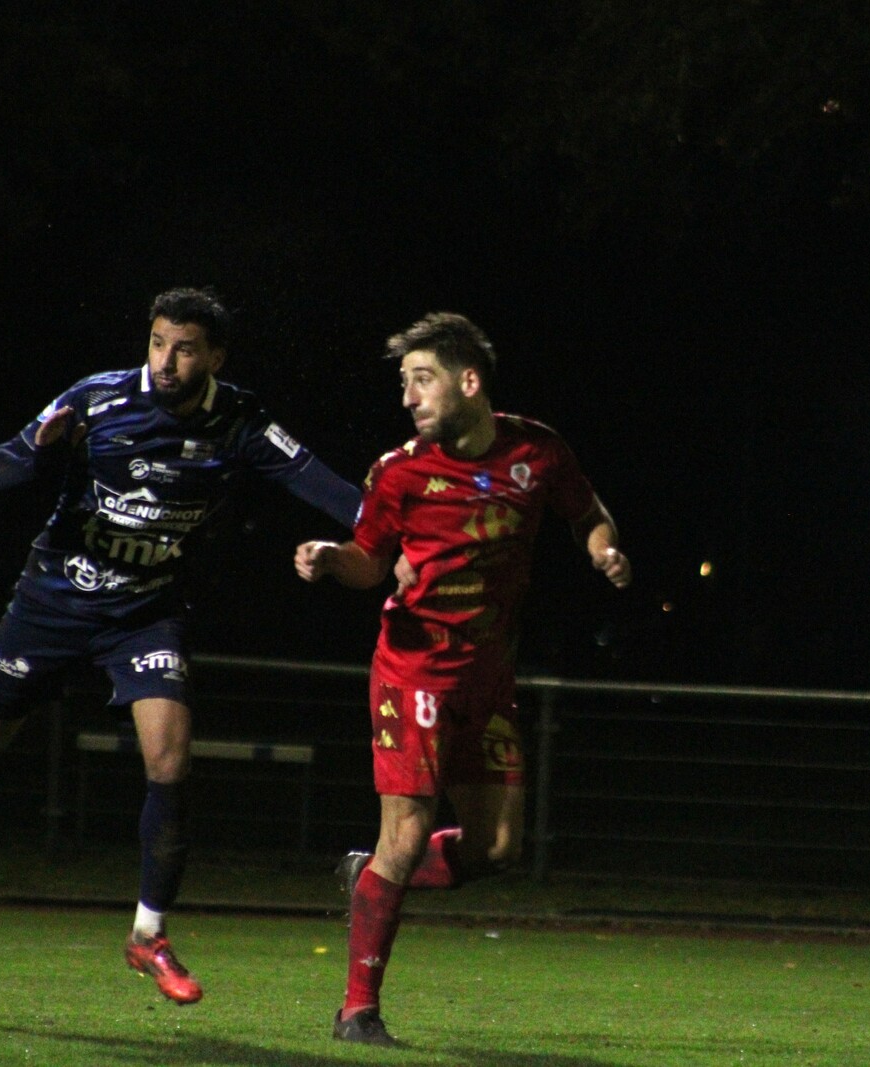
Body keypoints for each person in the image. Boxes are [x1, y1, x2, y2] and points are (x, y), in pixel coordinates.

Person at [0, 287, 361, 1005]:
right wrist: (39, 453)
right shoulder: (97, 399)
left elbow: (323, 485)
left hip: (146, 611)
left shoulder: (240, 419)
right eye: (158, 343)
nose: (166, 360)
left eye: (185, 349)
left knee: (170, 757)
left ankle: (148, 934)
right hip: (54, 597)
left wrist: (398, 524)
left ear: (215, 357)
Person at [294, 311, 630, 1045]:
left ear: (469, 381)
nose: (408, 398)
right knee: (407, 833)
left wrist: (603, 547)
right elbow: (369, 559)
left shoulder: (538, 450)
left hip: (488, 677)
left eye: (422, 380)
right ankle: (357, 1010)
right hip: (413, 670)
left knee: (499, 848)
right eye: (404, 382)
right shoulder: (399, 471)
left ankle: (371, 876)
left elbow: (587, 511)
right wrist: (331, 558)